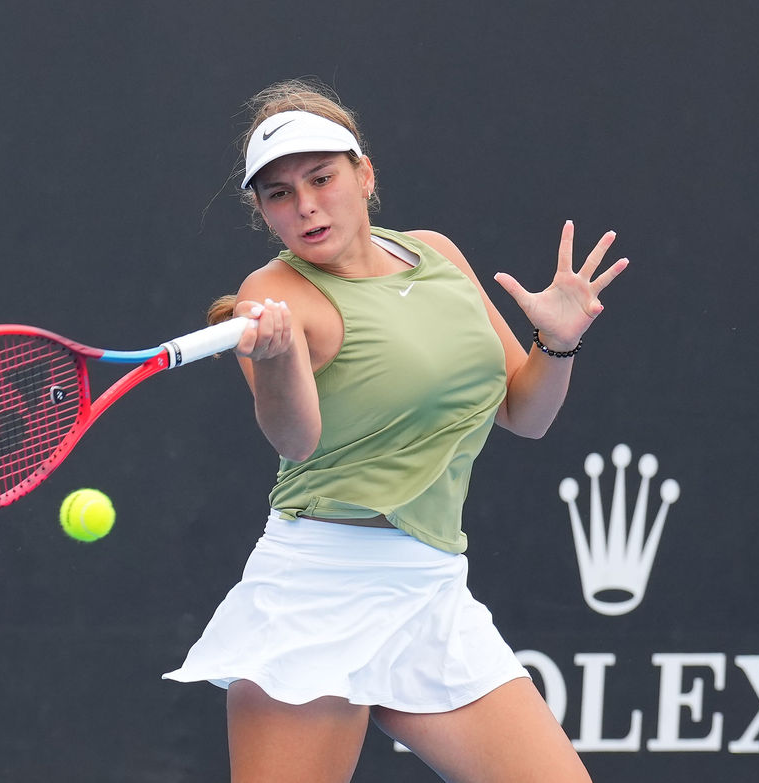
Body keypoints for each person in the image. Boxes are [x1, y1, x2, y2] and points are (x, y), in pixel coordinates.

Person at [164, 78, 627, 783]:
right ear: (262, 212)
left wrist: (556, 343)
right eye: (280, 194)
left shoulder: (436, 253)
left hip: (431, 586)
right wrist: (280, 355)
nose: (307, 205)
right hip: (318, 592)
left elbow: (525, 413)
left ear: (364, 174)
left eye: (322, 178)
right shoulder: (272, 295)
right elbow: (296, 441)